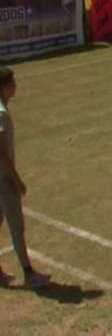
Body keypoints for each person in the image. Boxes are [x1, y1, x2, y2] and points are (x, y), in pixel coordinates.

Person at [0, 67, 51, 288]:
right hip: (3, 179)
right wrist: (16, 179)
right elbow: (0, 151)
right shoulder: (1, 113)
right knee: (16, 225)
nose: (16, 86)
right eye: (13, 83)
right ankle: (29, 273)